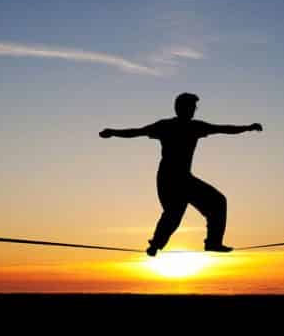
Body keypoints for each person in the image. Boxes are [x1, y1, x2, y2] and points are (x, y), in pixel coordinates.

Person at [99, 92, 263, 256]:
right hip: (169, 179)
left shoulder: (194, 126)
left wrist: (247, 128)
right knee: (175, 213)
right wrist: (113, 132)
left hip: (183, 178)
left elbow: (222, 129)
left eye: (194, 108)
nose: (193, 111)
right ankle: (157, 244)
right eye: (191, 107)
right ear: (180, 108)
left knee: (216, 202)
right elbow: (137, 132)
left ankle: (210, 242)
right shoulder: (168, 126)